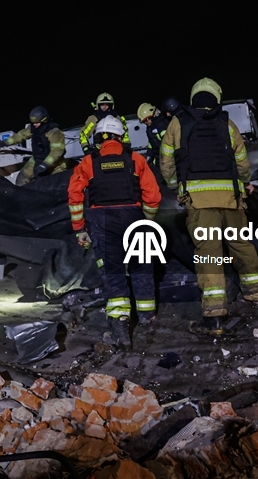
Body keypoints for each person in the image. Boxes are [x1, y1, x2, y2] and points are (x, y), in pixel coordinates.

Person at [161, 77, 258, 334]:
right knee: (241, 244)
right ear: (216, 97)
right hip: (231, 199)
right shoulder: (227, 123)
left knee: (209, 253)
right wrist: (244, 184)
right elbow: (242, 162)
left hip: (200, 201)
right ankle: (257, 294)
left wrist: (177, 187)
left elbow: (166, 163)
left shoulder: (178, 123)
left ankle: (215, 315)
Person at [68, 116, 161, 348]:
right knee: (141, 265)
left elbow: (75, 196)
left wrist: (80, 229)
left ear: (98, 138)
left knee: (113, 270)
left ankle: (121, 326)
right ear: (121, 136)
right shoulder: (136, 160)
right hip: (133, 216)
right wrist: (146, 220)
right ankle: (148, 316)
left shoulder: (88, 162)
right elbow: (154, 196)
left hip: (103, 220)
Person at [0, 106, 66, 184]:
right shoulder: (32, 129)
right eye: (33, 123)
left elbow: (57, 152)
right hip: (36, 159)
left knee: (53, 183)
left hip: (55, 164)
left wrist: (45, 164)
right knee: (22, 179)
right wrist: (5, 142)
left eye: (36, 123)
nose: (34, 125)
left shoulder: (55, 133)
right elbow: (20, 136)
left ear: (44, 120)